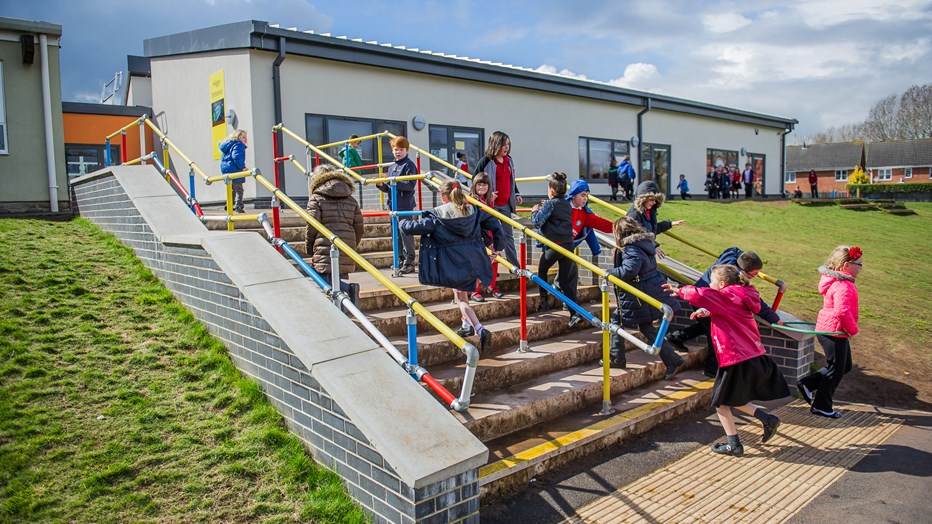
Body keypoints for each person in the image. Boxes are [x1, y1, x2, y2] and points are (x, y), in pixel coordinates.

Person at [664, 265, 789, 455]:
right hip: (748, 354)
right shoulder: (740, 294)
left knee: (721, 403)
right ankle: (764, 421)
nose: (710, 284)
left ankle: (736, 443)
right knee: (728, 399)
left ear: (722, 284)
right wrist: (708, 312)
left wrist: (680, 290)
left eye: (712, 281)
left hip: (735, 357)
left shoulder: (726, 296)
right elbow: (730, 312)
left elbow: (702, 294)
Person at [400, 179, 505, 352]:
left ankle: (480, 329)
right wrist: (498, 245)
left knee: (461, 300)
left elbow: (415, 227)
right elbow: (495, 223)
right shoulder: (473, 209)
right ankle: (466, 325)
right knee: (465, 294)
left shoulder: (438, 214)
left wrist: (402, 221)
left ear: (443, 197)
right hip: (475, 259)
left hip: (455, 263)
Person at [666, 249, 783, 377]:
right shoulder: (733, 283)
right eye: (754, 274)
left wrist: (746, 257)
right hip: (705, 301)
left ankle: (676, 336)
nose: (754, 277)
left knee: (709, 325)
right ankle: (711, 369)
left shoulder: (731, 261)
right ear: (743, 271)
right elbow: (755, 302)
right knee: (713, 335)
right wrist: (773, 318)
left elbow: (733, 249)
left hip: (704, 299)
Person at [604, 217, 686, 377]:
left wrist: (608, 273)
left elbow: (630, 271)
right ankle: (672, 359)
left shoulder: (631, 248)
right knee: (645, 326)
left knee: (616, 319)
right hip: (647, 291)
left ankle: (616, 358)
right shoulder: (643, 243)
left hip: (640, 295)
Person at [796, 245, 862, 419]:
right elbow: (842, 311)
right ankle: (822, 406)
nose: (861, 268)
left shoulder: (837, 281)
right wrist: (853, 329)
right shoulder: (844, 285)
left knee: (844, 366)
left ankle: (807, 384)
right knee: (836, 370)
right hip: (834, 332)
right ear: (847, 265)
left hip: (831, 330)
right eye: (859, 264)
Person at [304, 164, 364, 305]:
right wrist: (353, 244)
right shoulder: (350, 198)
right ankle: (343, 303)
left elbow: (312, 225)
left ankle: (348, 289)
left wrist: (308, 247)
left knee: (320, 275)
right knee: (333, 278)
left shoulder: (316, 197)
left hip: (325, 242)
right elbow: (359, 227)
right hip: (346, 242)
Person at [532, 173, 584, 327]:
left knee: (541, 272)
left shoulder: (550, 204)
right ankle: (575, 313)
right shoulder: (565, 204)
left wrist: (535, 210)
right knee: (564, 281)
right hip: (568, 245)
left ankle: (543, 302)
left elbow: (537, 223)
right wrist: (546, 206)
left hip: (555, 245)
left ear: (552, 192)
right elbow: (554, 213)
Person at [475, 131, 522, 266]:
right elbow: (475, 180)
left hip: (505, 204)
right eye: (503, 144)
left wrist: (516, 193)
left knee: (508, 235)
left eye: (508, 144)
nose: (506, 147)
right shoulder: (486, 161)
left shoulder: (509, 160)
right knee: (491, 235)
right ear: (495, 145)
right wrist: (485, 195)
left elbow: (512, 180)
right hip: (491, 205)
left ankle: (514, 265)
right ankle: (490, 264)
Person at [377, 136, 418, 275]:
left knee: (405, 234)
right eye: (396, 149)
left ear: (406, 151)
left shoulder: (409, 165)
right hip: (393, 205)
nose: (398, 152)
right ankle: (399, 259)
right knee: (396, 235)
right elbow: (389, 188)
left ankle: (410, 261)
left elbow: (410, 185)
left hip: (405, 206)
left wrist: (394, 182)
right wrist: (382, 185)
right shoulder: (392, 166)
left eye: (401, 149)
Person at [626, 180, 685, 258]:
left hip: (645, 253)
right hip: (637, 255)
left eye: (655, 200)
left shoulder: (649, 211)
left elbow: (652, 230)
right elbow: (637, 235)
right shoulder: (634, 214)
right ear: (643, 199)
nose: (654, 202)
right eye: (651, 199)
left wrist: (670, 224)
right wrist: (654, 246)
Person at [468, 172, 503, 303]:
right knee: (477, 262)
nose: (482, 187)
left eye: (485, 185)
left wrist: (490, 202)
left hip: (489, 234)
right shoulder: (471, 200)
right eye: (479, 185)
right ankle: (474, 290)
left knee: (494, 259)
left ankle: (491, 285)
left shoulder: (489, 200)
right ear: (474, 186)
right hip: (477, 235)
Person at [219, 129, 248, 213]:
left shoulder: (228, 145)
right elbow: (236, 156)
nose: (245, 139)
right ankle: (239, 206)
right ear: (238, 137)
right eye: (243, 137)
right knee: (239, 189)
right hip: (235, 169)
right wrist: (242, 167)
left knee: (231, 188)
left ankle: (229, 205)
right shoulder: (239, 145)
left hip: (227, 169)